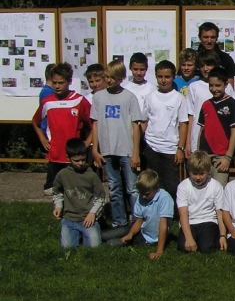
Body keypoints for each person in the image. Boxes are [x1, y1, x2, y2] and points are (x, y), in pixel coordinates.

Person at [91, 61, 144, 228]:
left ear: (121, 78)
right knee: (114, 188)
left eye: (112, 78)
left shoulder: (129, 97)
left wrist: (135, 152)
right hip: (107, 150)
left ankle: (137, 221)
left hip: (126, 150)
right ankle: (119, 221)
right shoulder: (98, 97)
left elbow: (135, 126)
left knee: (132, 189)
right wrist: (95, 149)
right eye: (106, 77)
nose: (108, 80)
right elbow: (95, 124)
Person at [33, 62, 92, 195]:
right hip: (55, 154)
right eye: (54, 83)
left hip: (74, 155)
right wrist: (42, 139)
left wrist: (87, 142)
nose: (57, 86)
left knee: (75, 191)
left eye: (61, 83)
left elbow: (94, 123)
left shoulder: (79, 101)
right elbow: (35, 121)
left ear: (69, 81)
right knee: (52, 191)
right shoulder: (47, 101)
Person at [141, 60, 188, 204]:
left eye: (167, 77)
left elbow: (183, 124)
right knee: (153, 184)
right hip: (152, 148)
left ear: (173, 77)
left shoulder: (179, 98)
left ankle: (171, 214)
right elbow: (144, 121)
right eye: (160, 76)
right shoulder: (150, 97)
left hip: (170, 149)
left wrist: (180, 148)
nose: (163, 80)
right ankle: (155, 211)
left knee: (171, 185)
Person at [103, 169, 174, 260]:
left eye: (147, 194)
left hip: (152, 238)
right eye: (141, 193)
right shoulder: (141, 198)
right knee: (105, 236)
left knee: (111, 243)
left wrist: (159, 251)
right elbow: (139, 221)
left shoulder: (164, 198)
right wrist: (130, 234)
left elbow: (163, 224)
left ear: (157, 188)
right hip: (141, 229)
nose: (143, 196)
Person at [52, 138, 105, 248]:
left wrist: (93, 213)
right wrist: (58, 206)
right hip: (69, 218)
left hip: (87, 218)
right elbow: (57, 192)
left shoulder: (91, 175)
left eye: (83, 159)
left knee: (94, 247)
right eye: (76, 161)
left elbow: (100, 197)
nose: (80, 163)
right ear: (68, 158)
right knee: (67, 248)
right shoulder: (63, 174)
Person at [176, 151, 226, 254]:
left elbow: (220, 213)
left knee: (207, 248)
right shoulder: (183, 186)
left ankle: (206, 239)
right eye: (194, 173)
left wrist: (223, 236)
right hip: (190, 221)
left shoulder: (215, 186)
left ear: (208, 171)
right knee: (183, 246)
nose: (198, 178)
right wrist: (189, 238)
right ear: (189, 171)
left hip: (208, 220)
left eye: (202, 174)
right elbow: (183, 214)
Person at [196, 67, 235, 186]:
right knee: (204, 188)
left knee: (219, 189)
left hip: (221, 157)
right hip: (205, 155)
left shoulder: (232, 104)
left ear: (226, 85)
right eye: (211, 85)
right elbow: (201, 130)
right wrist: (199, 153)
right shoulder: (206, 104)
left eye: (218, 85)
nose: (214, 89)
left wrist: (228, 157)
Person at [186, 50, 230, 154]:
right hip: (198, 138)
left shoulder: (226, 87)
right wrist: (188, 142)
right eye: (202, 66)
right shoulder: (194, 87)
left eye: (209, 65)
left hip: (220, 141)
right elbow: (191, 116)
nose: (205, 69)